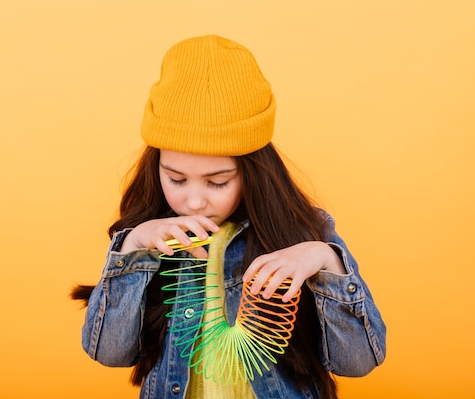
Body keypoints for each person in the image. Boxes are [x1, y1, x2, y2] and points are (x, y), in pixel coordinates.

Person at [71, 34, 386, 399]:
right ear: (155, 167)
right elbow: (107, 353)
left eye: (217, 182)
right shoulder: (147, 241)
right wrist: (134, 249)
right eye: (175, 178)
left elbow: (357, 363)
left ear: (252, 171)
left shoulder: (302, 235)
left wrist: (326, 260)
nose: (193, 201)